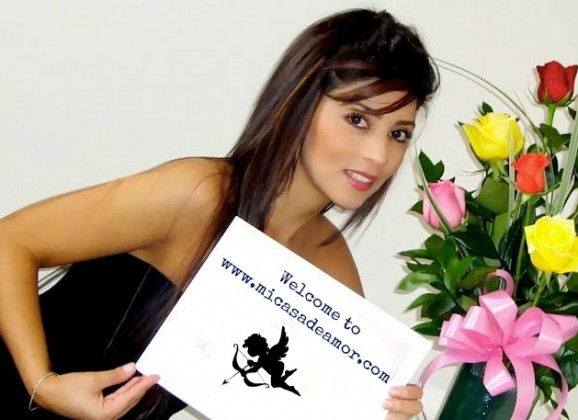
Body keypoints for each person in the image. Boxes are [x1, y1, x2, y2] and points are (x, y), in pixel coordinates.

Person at [0, 8, 438, 420]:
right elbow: (11, 240)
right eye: (357, 119)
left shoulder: (328, 264)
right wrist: (44, 384)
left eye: (398, 134)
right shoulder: (199, 196)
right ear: (299, 103)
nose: (379, 155)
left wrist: (380, 409)